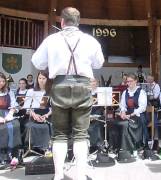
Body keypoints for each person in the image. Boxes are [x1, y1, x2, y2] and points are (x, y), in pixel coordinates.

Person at [31, 7, 104, 180]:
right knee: (81, 133)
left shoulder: (52, 39)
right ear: (78, 22)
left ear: (62, 22)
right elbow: (99, 64)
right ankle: (79, 176)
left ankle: (58, 176)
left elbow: (37, 61)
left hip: (60, 84)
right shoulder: (90, 40)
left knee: (60, 134)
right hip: (83, 86)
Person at [108, 73, 147, 159]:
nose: (128, 83)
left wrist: (131, 115)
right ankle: (116, 146)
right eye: (127, 82)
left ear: (135, 81)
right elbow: (122, 105)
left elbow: (142, 107)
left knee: (125, 124)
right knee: (113, 123)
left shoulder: (141, 92)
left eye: (130, 81)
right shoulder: (125, 92)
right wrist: (122, 112)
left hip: (138, 115)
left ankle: (129, 147)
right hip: (127, 115)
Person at [24, 71, 52, 154]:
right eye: (40, 78)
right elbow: (28, 108)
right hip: (34, 115)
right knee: (30, 127)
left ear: (47, 79)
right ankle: (33, 148)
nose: (41, 80)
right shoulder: (31, 91)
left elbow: (53, 108)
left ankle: (46, 148)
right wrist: (34, 115)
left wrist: (46, 115)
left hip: (47, 116)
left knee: (47, 127)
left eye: (44, 78)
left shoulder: (51, 91)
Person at [0, 73, 21, 170]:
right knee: (3, 128)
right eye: (0, 81)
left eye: (3, 81)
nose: (1, 83)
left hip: (7, 114)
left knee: (16, 125)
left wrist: (10, 114)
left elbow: (14, 105)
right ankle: (3, 156)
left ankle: (14, 155)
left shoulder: (9, 92)